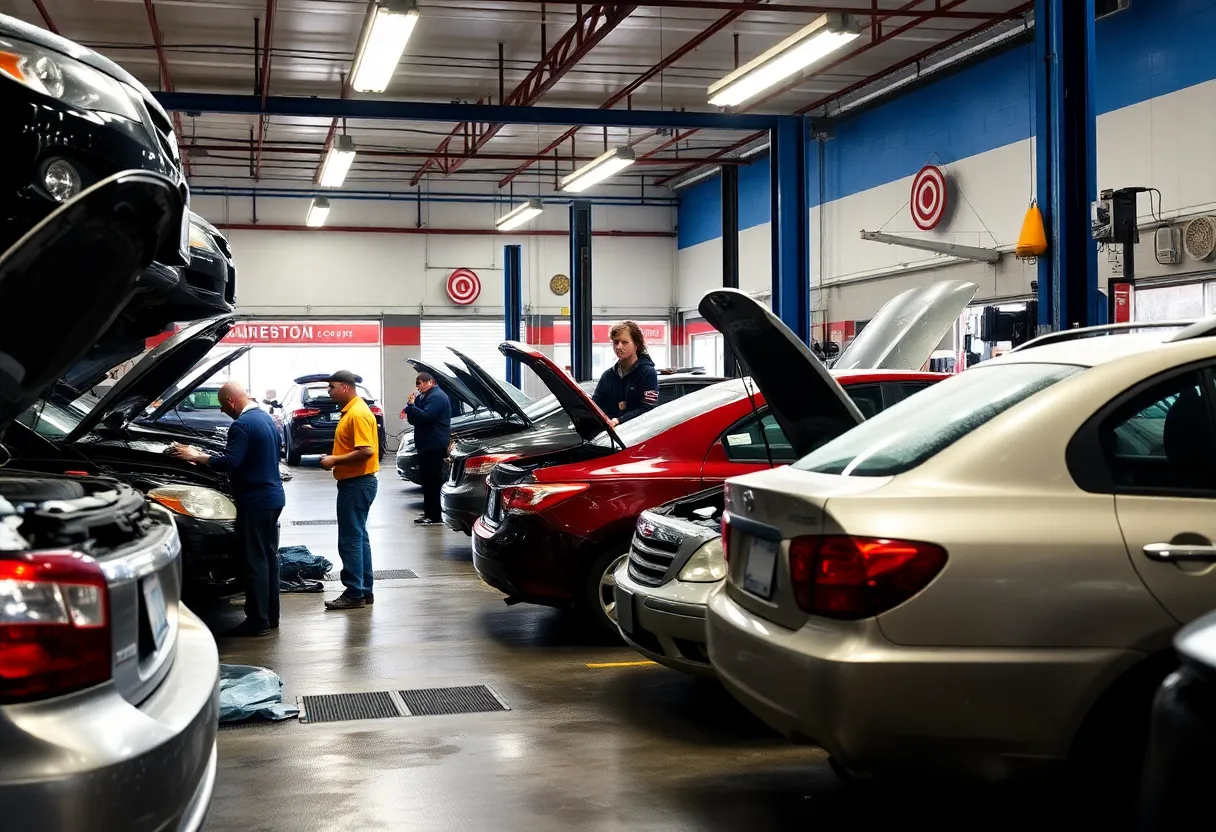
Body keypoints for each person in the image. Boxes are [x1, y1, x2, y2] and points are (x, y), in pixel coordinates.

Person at [170, 382, 285, 637]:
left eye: (223, 406)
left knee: (253, 561)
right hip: (273, 498)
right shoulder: (266, 419)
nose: (223, 411)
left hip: (254, 501)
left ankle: (258, 621)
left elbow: (230, 462)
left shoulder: (241, 425)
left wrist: (195, 456)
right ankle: (271, 615)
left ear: (232, 402)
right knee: (267, 558)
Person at [319, 370, 380, 611]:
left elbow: (366, 450)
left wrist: (334, 460)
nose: (328, 391)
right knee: (359, 537)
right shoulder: (353, 411)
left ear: (345, 387)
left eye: (331, 386)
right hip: (358, 482)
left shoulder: (357, 413)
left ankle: (355, 592)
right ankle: (364, 590)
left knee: (350, 539)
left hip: (356, 483)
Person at [403, 371, 451, 525]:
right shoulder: (423, 397)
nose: (419, 386)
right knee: (427, 481)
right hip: (425, 444)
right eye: (417, 384)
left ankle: (435, 515)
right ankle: (429, 513)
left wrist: (412, 406)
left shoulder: (437, 396)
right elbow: (413, 419)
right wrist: (411, 407)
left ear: (431, 382)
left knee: (433, 481)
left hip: (434, 444)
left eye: (422, 383)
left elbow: (427, 417)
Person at [591, 321, 660, 426]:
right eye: (616, 342)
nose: (619, 347)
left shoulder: (648, 373)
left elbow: (648, 407)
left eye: (624, 342)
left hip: (638, 433)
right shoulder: (608, 376)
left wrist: (619, 420)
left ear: (636, 345)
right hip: (611, 435)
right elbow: (595, 405)